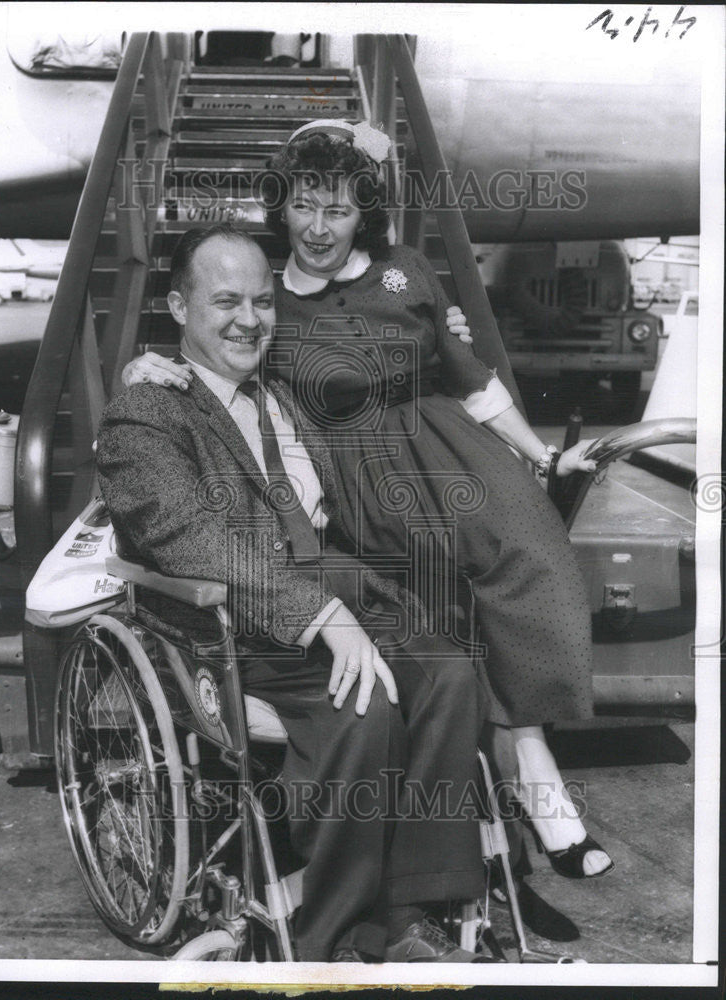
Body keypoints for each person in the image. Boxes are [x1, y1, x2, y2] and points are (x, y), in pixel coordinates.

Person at [123, 121, 614, 881]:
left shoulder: (407, 272)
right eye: (305, 206)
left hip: (448, 447)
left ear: (365, 215)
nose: (319, 227)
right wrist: (142, 366)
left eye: (340, 210)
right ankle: (501, 788)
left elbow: (471, 375)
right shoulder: (268, 301)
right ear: (282, 207)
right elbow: (213, 356)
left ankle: (530, 751)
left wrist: (541, 453)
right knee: (432, 587)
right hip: (358, 474)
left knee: (532, 551)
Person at [97, 225, 499, 964]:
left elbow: (383, 379)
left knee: (449, 672)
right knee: (365, 705)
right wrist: (319, 614)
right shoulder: (148, 412)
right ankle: (336, 934)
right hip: (233, 621)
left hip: (338, 584)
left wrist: (443, 331)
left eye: (261, 301)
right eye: (225, 302)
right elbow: (191, 539)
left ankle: (412, 911)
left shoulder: (277, 388)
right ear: (178, 305)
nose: (249, 319)